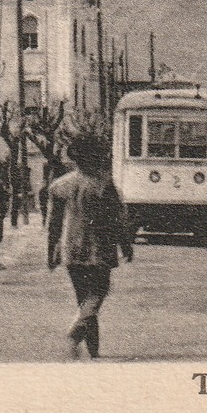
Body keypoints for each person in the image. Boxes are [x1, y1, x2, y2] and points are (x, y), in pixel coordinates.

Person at [47, 134, 134, 360]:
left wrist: (51, 250)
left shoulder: (60, 185)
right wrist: (125, 244)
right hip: (99, 247)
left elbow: (53, 223)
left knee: (82, 298)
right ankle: (76, 335)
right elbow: (117, 219)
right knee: (98, 291)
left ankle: (93, 350)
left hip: (70, 248)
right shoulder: (104, 185)